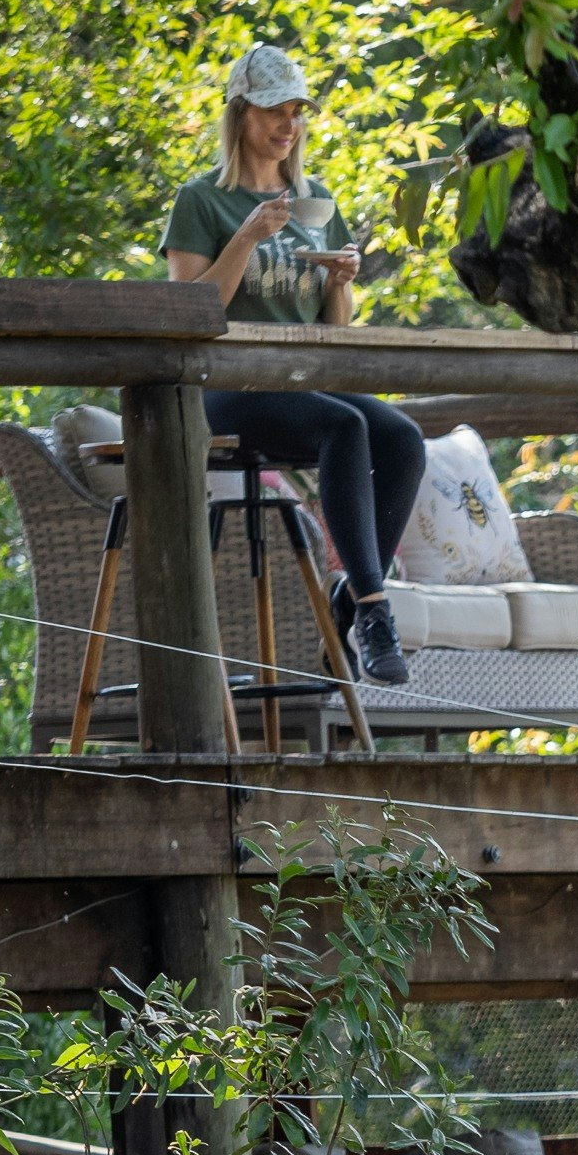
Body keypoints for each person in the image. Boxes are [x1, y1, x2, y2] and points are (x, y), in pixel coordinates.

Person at [161, 43, 424, 684]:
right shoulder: (201, 201)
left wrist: (341, 281)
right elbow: (188, 312)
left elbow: (335, 334)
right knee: (344, 426)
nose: (289, 124)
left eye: (297, 111)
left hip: (303, 381)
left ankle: (349, 599)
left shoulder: (315, 200)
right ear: (241, 113)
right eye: (275, 110)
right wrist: (247, 236)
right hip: (225, 386)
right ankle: (374, 612)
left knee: (403, 438)